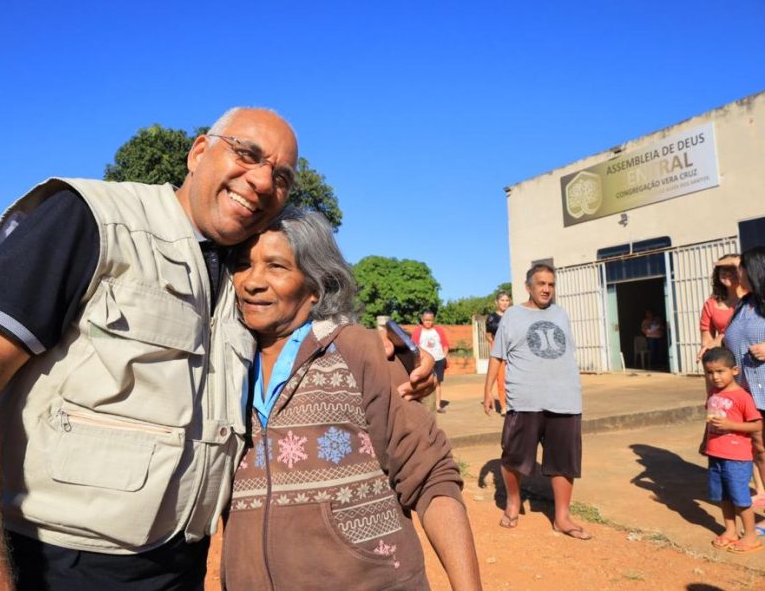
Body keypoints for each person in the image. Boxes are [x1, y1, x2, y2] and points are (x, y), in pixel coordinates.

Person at [0, 108, 435, 591]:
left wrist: (403, 353)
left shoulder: (236, 276)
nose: (261, 181)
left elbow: (308, 327)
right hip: (53, 563)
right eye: (247, 154)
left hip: (178, 567)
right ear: (198, 153)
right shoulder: (95, 220)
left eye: (281, 177)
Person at [221, 208, 482, 590]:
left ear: (315, 286)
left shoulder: (360, 350)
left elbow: (430, 476)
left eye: (276, 266)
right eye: (243, 264)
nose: (252, 282)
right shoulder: (224, 364)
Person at [482, 263, 590, 540]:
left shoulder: (561, 314)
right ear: (528, 286)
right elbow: (497, 355)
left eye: (551, 285)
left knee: (564, 460)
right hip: (525, 398)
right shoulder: (513, 315)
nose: (546, 289)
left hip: (564, 398)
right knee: (514, 456)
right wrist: (488, 390)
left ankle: (562, 517)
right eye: (541, 283)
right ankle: (513, 501)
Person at [697, 347, 762, 554]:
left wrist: (731, 426)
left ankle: (750, 536)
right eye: (709, 372)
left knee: (740, 497)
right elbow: (710, 422)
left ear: (734, 370)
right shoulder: (713, 393)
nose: (714, 377)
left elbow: (757, 426)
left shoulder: (742, 397)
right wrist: (703, 442)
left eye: (720, 371)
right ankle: (730, 531)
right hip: (716, 454)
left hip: (737, 457)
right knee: (723, 496)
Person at [723, 246, 765, 519]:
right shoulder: (744, 304)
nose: (738, 272)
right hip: (747, 391)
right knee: (760, 448)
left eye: (741, 266)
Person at [697, 254, 746, 361]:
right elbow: (707, 343)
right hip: (728, 363)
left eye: (733, 268)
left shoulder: (755, 298)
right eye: (723, 269)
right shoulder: (710, 304)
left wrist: (721, 337)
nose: (728, 273)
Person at [412, 310, 450, 413]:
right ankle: (422, 406)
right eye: (426, 320)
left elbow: (445, 344)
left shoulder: (438, 330)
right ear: (422, 320)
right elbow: (413, 347)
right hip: (425, 362)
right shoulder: (418, 331)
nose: (428, 322)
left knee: (437, 383)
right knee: (424, 383)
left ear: (433, 320)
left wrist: (444, 356)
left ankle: (438, 406)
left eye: (430, 320)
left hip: (438, 360)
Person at [485, 291, 512, 416]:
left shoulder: (513, 315)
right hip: (499, 352)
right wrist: (495, 345)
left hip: (512, 351)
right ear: (497, 302)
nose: (505, 303)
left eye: (507, 300)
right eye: (502, 300)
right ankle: (504, 406)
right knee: (501, 379)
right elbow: (488, 335)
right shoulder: (492, 318)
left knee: (513, 378)